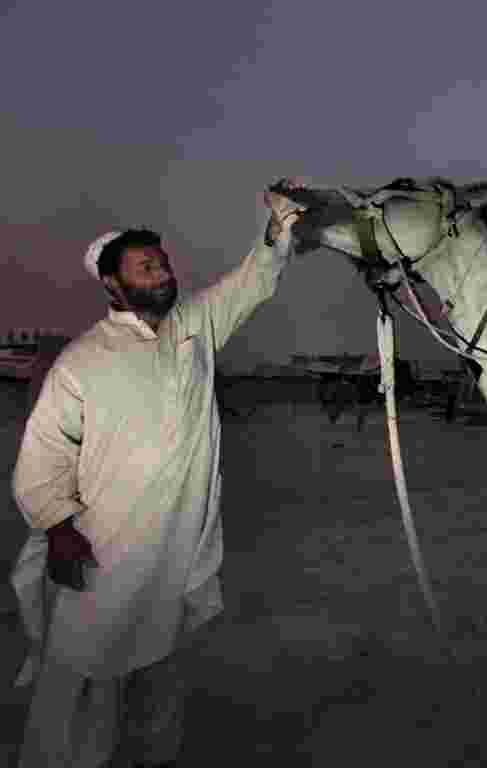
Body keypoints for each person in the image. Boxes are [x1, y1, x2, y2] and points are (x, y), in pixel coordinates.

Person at [10, 183, 305, 768]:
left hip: (174, 549)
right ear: (113, 286)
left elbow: (249, 283)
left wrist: (278, 228)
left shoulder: (195, 327)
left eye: (165, 263)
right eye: (147, 267)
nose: (164, 273)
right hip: (101, 551)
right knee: (80, 674)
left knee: (161, 671)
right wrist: (60, 528)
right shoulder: (82, 362)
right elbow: (43, 457)